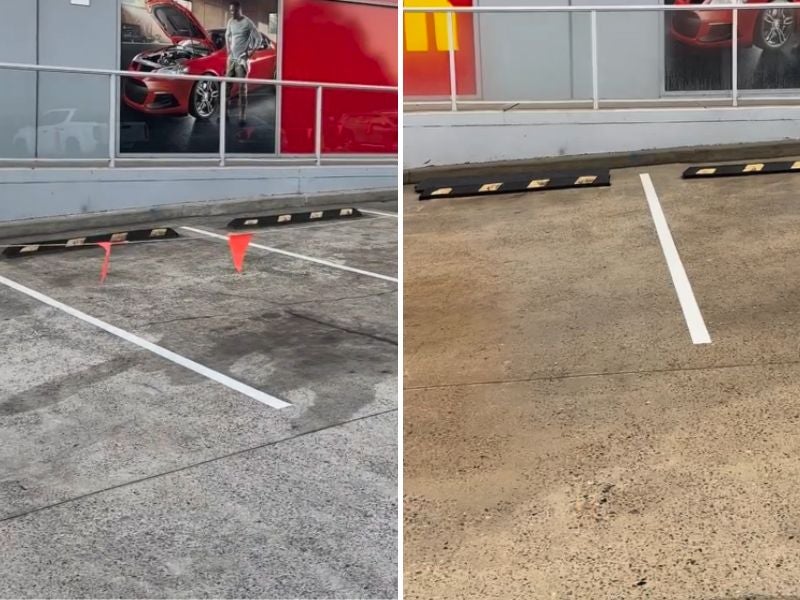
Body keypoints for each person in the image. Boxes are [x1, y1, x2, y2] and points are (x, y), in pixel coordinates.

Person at [225, 1, 260, 126]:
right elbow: (227, 35)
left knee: (242, 88)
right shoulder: (230, 22)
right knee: (226, 87)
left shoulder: (247, 22)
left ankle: (242, 116)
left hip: (241, 60)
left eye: (234, 11)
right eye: (231, 11)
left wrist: (251, 53)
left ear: (239, 10)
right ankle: (225, 114)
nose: (232, 13)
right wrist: (228, 49)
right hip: (231, 60)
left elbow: (258, 38)